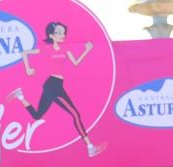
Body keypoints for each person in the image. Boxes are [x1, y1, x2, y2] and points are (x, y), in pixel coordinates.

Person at [9, 21, 103, 157]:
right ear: (51, 35)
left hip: (55, 85)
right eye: (58, 32)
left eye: (63, 32)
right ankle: (90, 147)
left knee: (37, 116)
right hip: (52, 85)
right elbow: (25, 53)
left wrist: (87, 50)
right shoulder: (47, 49)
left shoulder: (65, 48)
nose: (62, 34)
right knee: (75, 114)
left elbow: (75, 62)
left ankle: (20, 96)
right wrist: (28, 68)